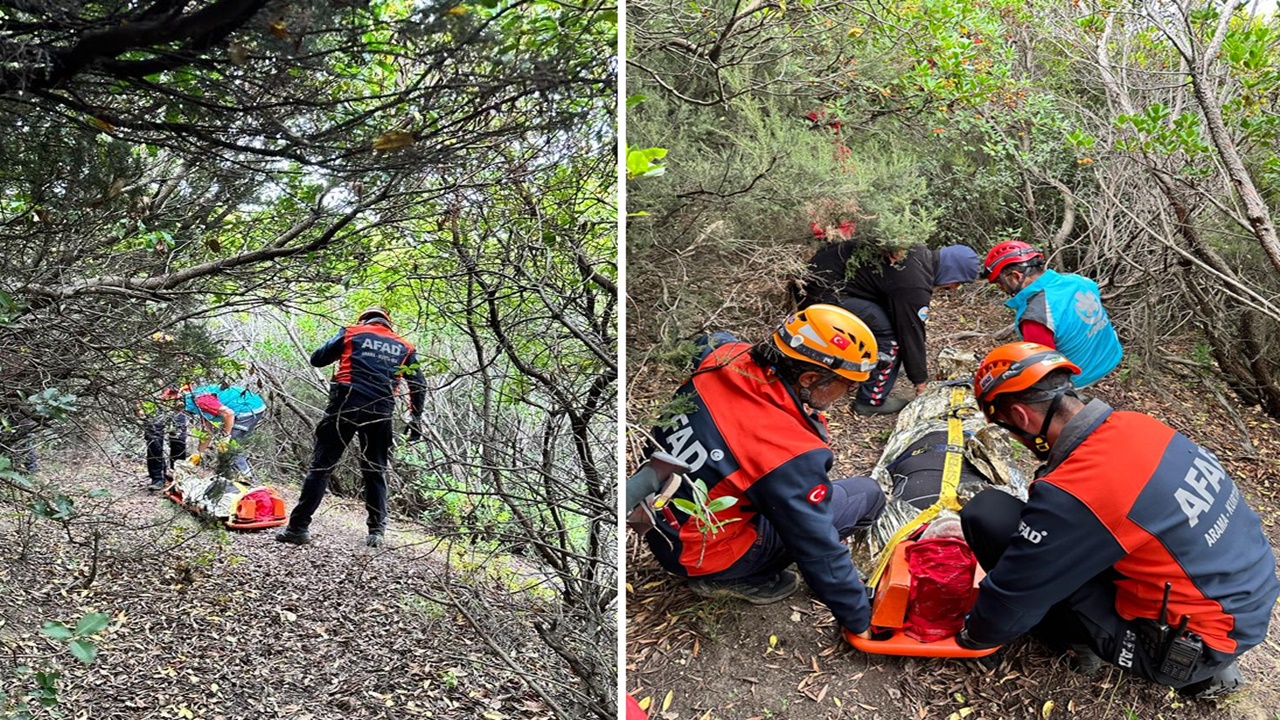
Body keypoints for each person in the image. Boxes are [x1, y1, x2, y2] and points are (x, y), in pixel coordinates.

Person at [955, 342, 1279, 699]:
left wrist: (975, 635)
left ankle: (1081, 643)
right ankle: (1206, 652)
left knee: (989, 516)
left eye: (1007, 428)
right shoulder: (1137, 425)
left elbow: (1018, 590)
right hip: (1243, 607)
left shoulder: (1082, 488)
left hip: (1184, 644)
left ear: (1020, 417)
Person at [638, 304, 887, 636]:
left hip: (663, 527)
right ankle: (742, 577)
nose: (848, 393)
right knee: (866, 495)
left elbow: (709, 341)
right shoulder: (784, 450)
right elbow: (817, 545)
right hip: (707, 554)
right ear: (810, 378)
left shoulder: (722, 357)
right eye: (846, 384)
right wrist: (858, 618)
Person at [276, 306, 427, 548]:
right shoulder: (404, 346)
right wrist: (416, 418)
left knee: (321, 468)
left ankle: (298, 528)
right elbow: (418, 384)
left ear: (364, 319)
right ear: (388, 323)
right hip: (380, 411)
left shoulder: (351, 332)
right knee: (375, 470)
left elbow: (318, 359)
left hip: (344, 406)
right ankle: (376, 532)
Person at [797, 243, 981, 415]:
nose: (954, 288)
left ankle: (879, 366)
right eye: (958, 281)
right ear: (951, 270)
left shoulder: (918, 254)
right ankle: (870, 401)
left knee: (892, 321)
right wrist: (920, 381)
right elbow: (910, 333)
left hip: (819, 283)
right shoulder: (915, 284)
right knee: (892, 335)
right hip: (823, 294)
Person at [980, 241, 1122, 388]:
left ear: (1016, 276)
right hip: (1111, 356)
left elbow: (1043, 367)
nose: (1002, 289)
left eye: (1000, 284)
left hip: (1081, 376)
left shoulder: (1035, 316)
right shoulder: (1079, 280)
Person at [177, 383, 267, 478]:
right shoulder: (195, 403)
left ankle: (246, 478)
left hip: (249, 407)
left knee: (231, 447)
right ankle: (226, 477)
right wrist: (199, 453)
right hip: (244, 407)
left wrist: (226, 437)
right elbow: (207, 430)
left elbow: (229, 414)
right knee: (226, 448)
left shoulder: (200, 401)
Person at [145, 386, 190, 491]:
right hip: (154, 403)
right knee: (154, 441)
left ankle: (177, 475)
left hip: (178, 403)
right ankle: (157, 478)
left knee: (179, 441)